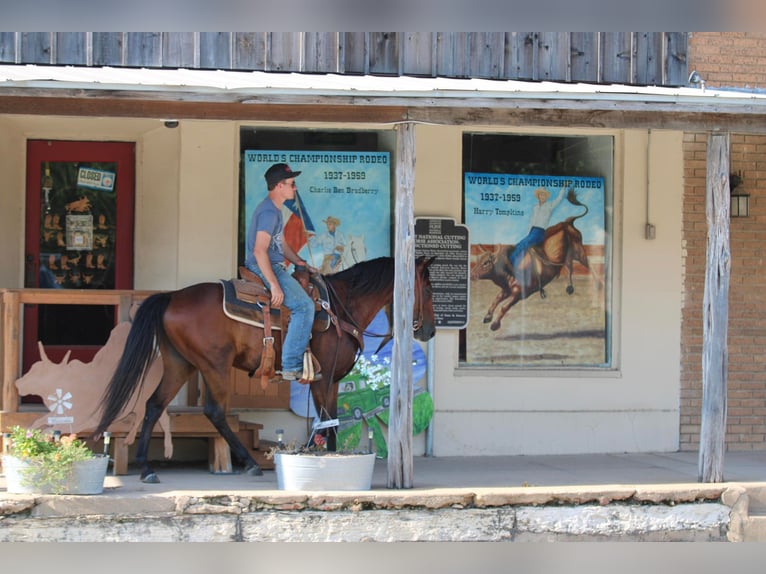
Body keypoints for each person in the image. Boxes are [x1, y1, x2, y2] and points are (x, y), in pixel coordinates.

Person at [245, 163, 320, 382]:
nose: (295, 188)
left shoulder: (274, 209)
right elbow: (260, 250)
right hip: (265, 265)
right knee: (304, 306)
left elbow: (281, 243)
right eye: (291, 184)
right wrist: (274, 284)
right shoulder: (269, 211)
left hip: (273, 263)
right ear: (279, 186)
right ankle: (291, 365)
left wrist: (300, 262)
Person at [509, 186, 567, 271]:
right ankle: (510, 261)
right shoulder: (535, 207)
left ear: (546, 197)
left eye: (544, 195)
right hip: (532, 231)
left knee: (526, 243)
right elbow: (532, 221)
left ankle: (512, 264)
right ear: (538, 196)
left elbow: (559, 199)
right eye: (541, 195)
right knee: (521, 243)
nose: (542, 197)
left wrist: (563, 188)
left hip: (540, 232)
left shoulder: (549, 206)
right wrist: (528, 233)